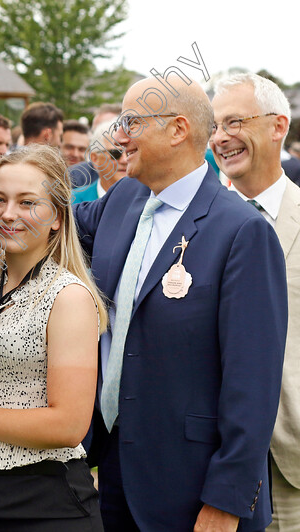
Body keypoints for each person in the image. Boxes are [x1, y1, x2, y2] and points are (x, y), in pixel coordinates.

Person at [74, 77, 287, 530]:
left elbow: (253, 380)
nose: (118, 137)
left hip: (194, 491)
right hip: (112, 475)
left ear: (177, 130)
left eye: (130, 122)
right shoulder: (125, 199)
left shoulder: (243, 232)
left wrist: (227, 499)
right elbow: (47, 218)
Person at [0, 144, 106, 531]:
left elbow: (68, 424)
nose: (8, 214)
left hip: (46, 502)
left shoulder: (68, 298)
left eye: (28, 203)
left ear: (57, 218)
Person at [210, 72, 300, 531]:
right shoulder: (193, 225)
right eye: (214, 125)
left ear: (278, 126)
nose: (221, 137)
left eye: (234, 122)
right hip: (208, 463)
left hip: (293, 463)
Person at [71, 119, 127, 203]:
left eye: (130, 153)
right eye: (116, 154)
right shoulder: (72, 201)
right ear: (94, 159)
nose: (125, 160)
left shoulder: (148, 198)